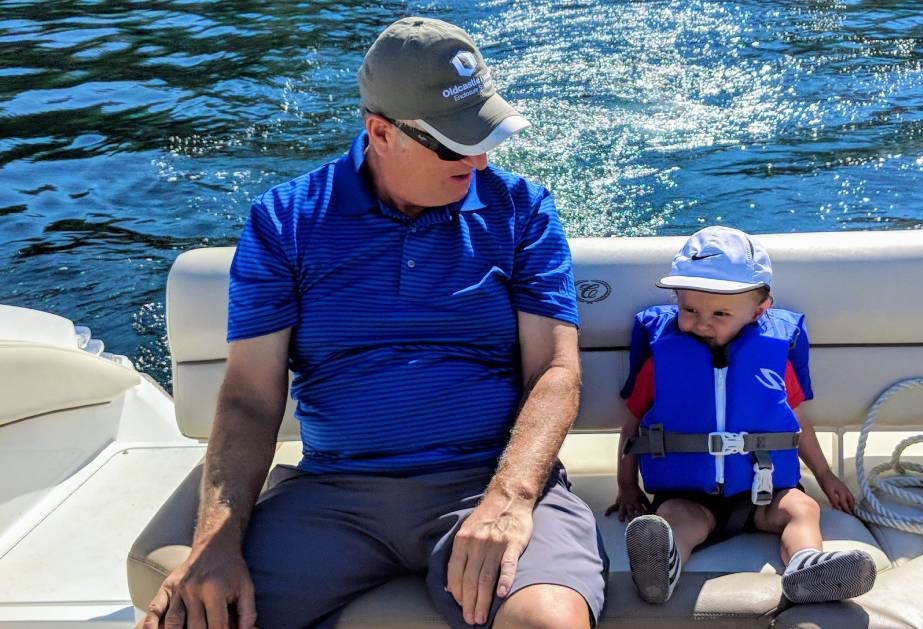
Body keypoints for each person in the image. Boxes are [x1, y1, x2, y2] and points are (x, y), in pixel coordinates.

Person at [142, 17, 606, 629]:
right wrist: (214, 544)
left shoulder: (523, 211)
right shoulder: (285, 221)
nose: (481, 155)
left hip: (487, 479)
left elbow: (554, 371)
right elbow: (251, 398)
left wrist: (510, 498)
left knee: (548, 624)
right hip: (335, 494)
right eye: (455, 141)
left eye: (485, 131)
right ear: (381, 132)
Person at [605, 226, 876, 605]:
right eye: (689, 310)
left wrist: (826, 475)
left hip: (766, 490)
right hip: (689, 493)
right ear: (675, 300)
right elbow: (634, 426)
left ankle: (806, 566)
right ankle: (660, 569)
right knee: (675, 519)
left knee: (802, 508)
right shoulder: (662, 361)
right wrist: (628, 487)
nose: (702, 323)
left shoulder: (774, 358)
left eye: (720, 313)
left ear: (759, 311)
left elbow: (796, 423)